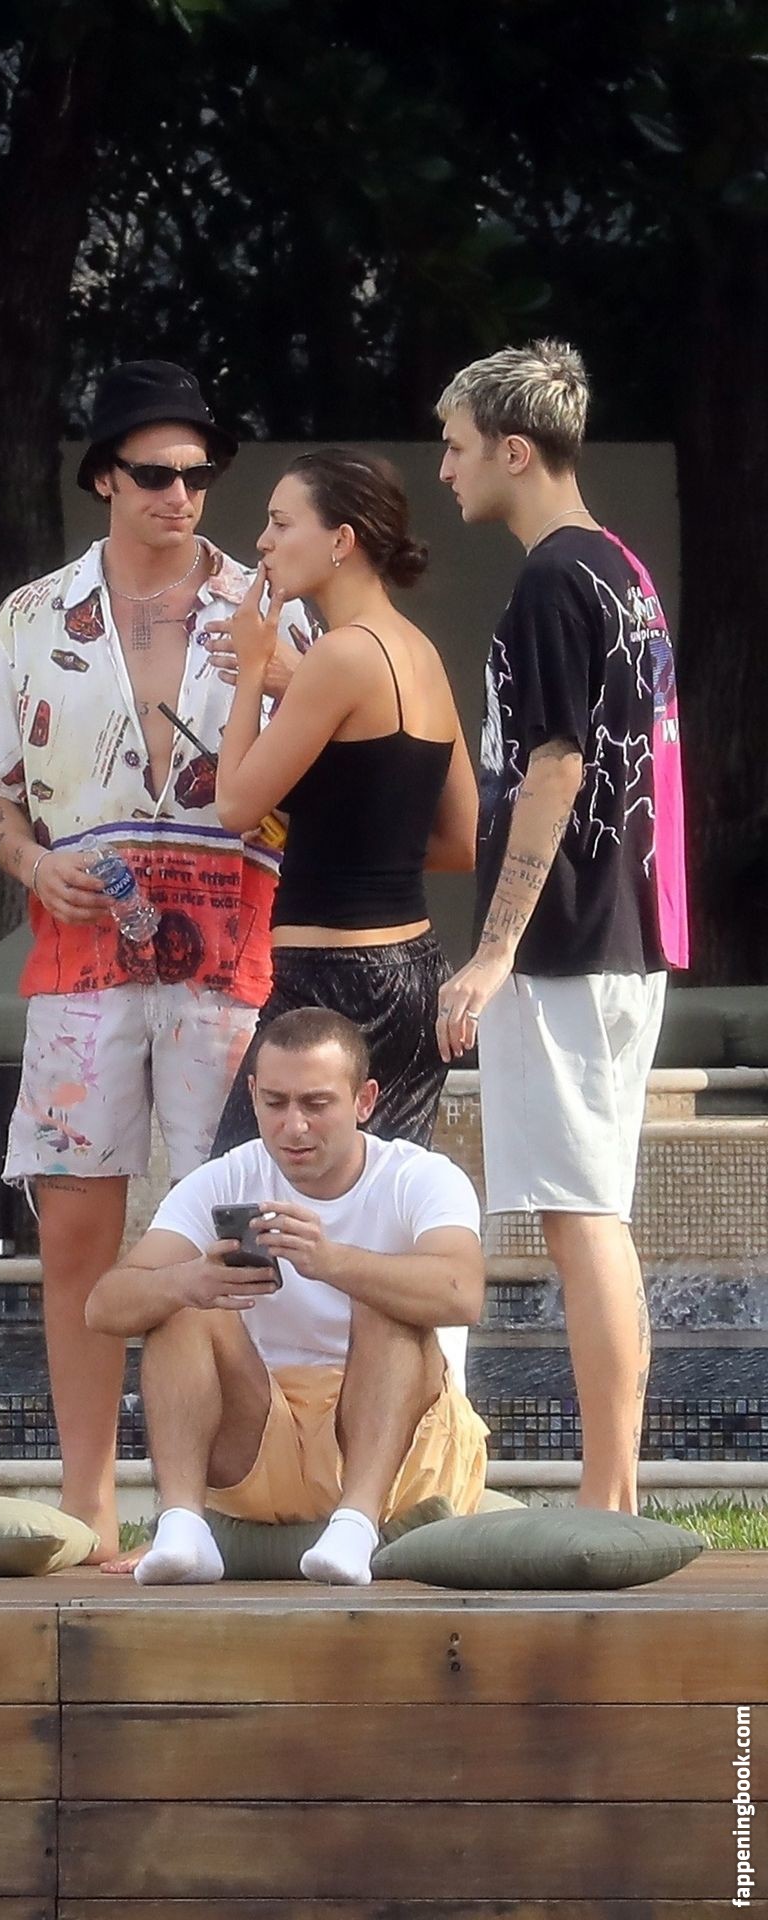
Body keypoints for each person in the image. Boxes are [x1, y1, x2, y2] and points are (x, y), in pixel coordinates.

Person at [0, 359, 311, 1563]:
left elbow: (323, 766)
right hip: (78, 961)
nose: (181, 495)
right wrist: (28, 862)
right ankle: (87, 1501)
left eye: (199, 475)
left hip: (228, 949)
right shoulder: (30, 616)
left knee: (234, 1227)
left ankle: (228, 1490)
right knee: (74, 1232)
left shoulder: (270, 607)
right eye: (156, 473)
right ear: (104, 477)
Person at [435, 339, 688, 1514]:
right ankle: (611, 1491)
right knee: (587, 1214)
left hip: (570, 938)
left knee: (582, 1220)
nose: (444, 469)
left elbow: (552, 765)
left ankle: (607, 1497)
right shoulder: (619, 568)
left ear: (511, 450)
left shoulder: (551, 579)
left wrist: (491, 950)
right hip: (621, 930)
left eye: (454, 446)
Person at [85, 1007, 489, 1586]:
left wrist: (333, 1263)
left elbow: (462, 1293)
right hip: (265, 1441)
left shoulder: (419, 1177)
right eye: (275, 1103)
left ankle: (356, 1527)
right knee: (180, 1303)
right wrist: (189, 1281)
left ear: (364, 1101)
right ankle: (183, 1527)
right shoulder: (225, 1178)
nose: (294, 1127)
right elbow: (103, 1306)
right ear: (252, 1096)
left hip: (400, 1451)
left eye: (316, 1104)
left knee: (386, 1298)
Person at [209, 448, 477, 1157]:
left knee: (243, 1197)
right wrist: (346, 839)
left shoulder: (339, 656)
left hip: (331, 981)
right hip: (415, 975)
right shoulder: (420, 652)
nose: (263, 543)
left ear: (342, 540)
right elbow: (461, 841)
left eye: (280, 523)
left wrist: (252, 667)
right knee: (370, 1204)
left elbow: (234, 805)